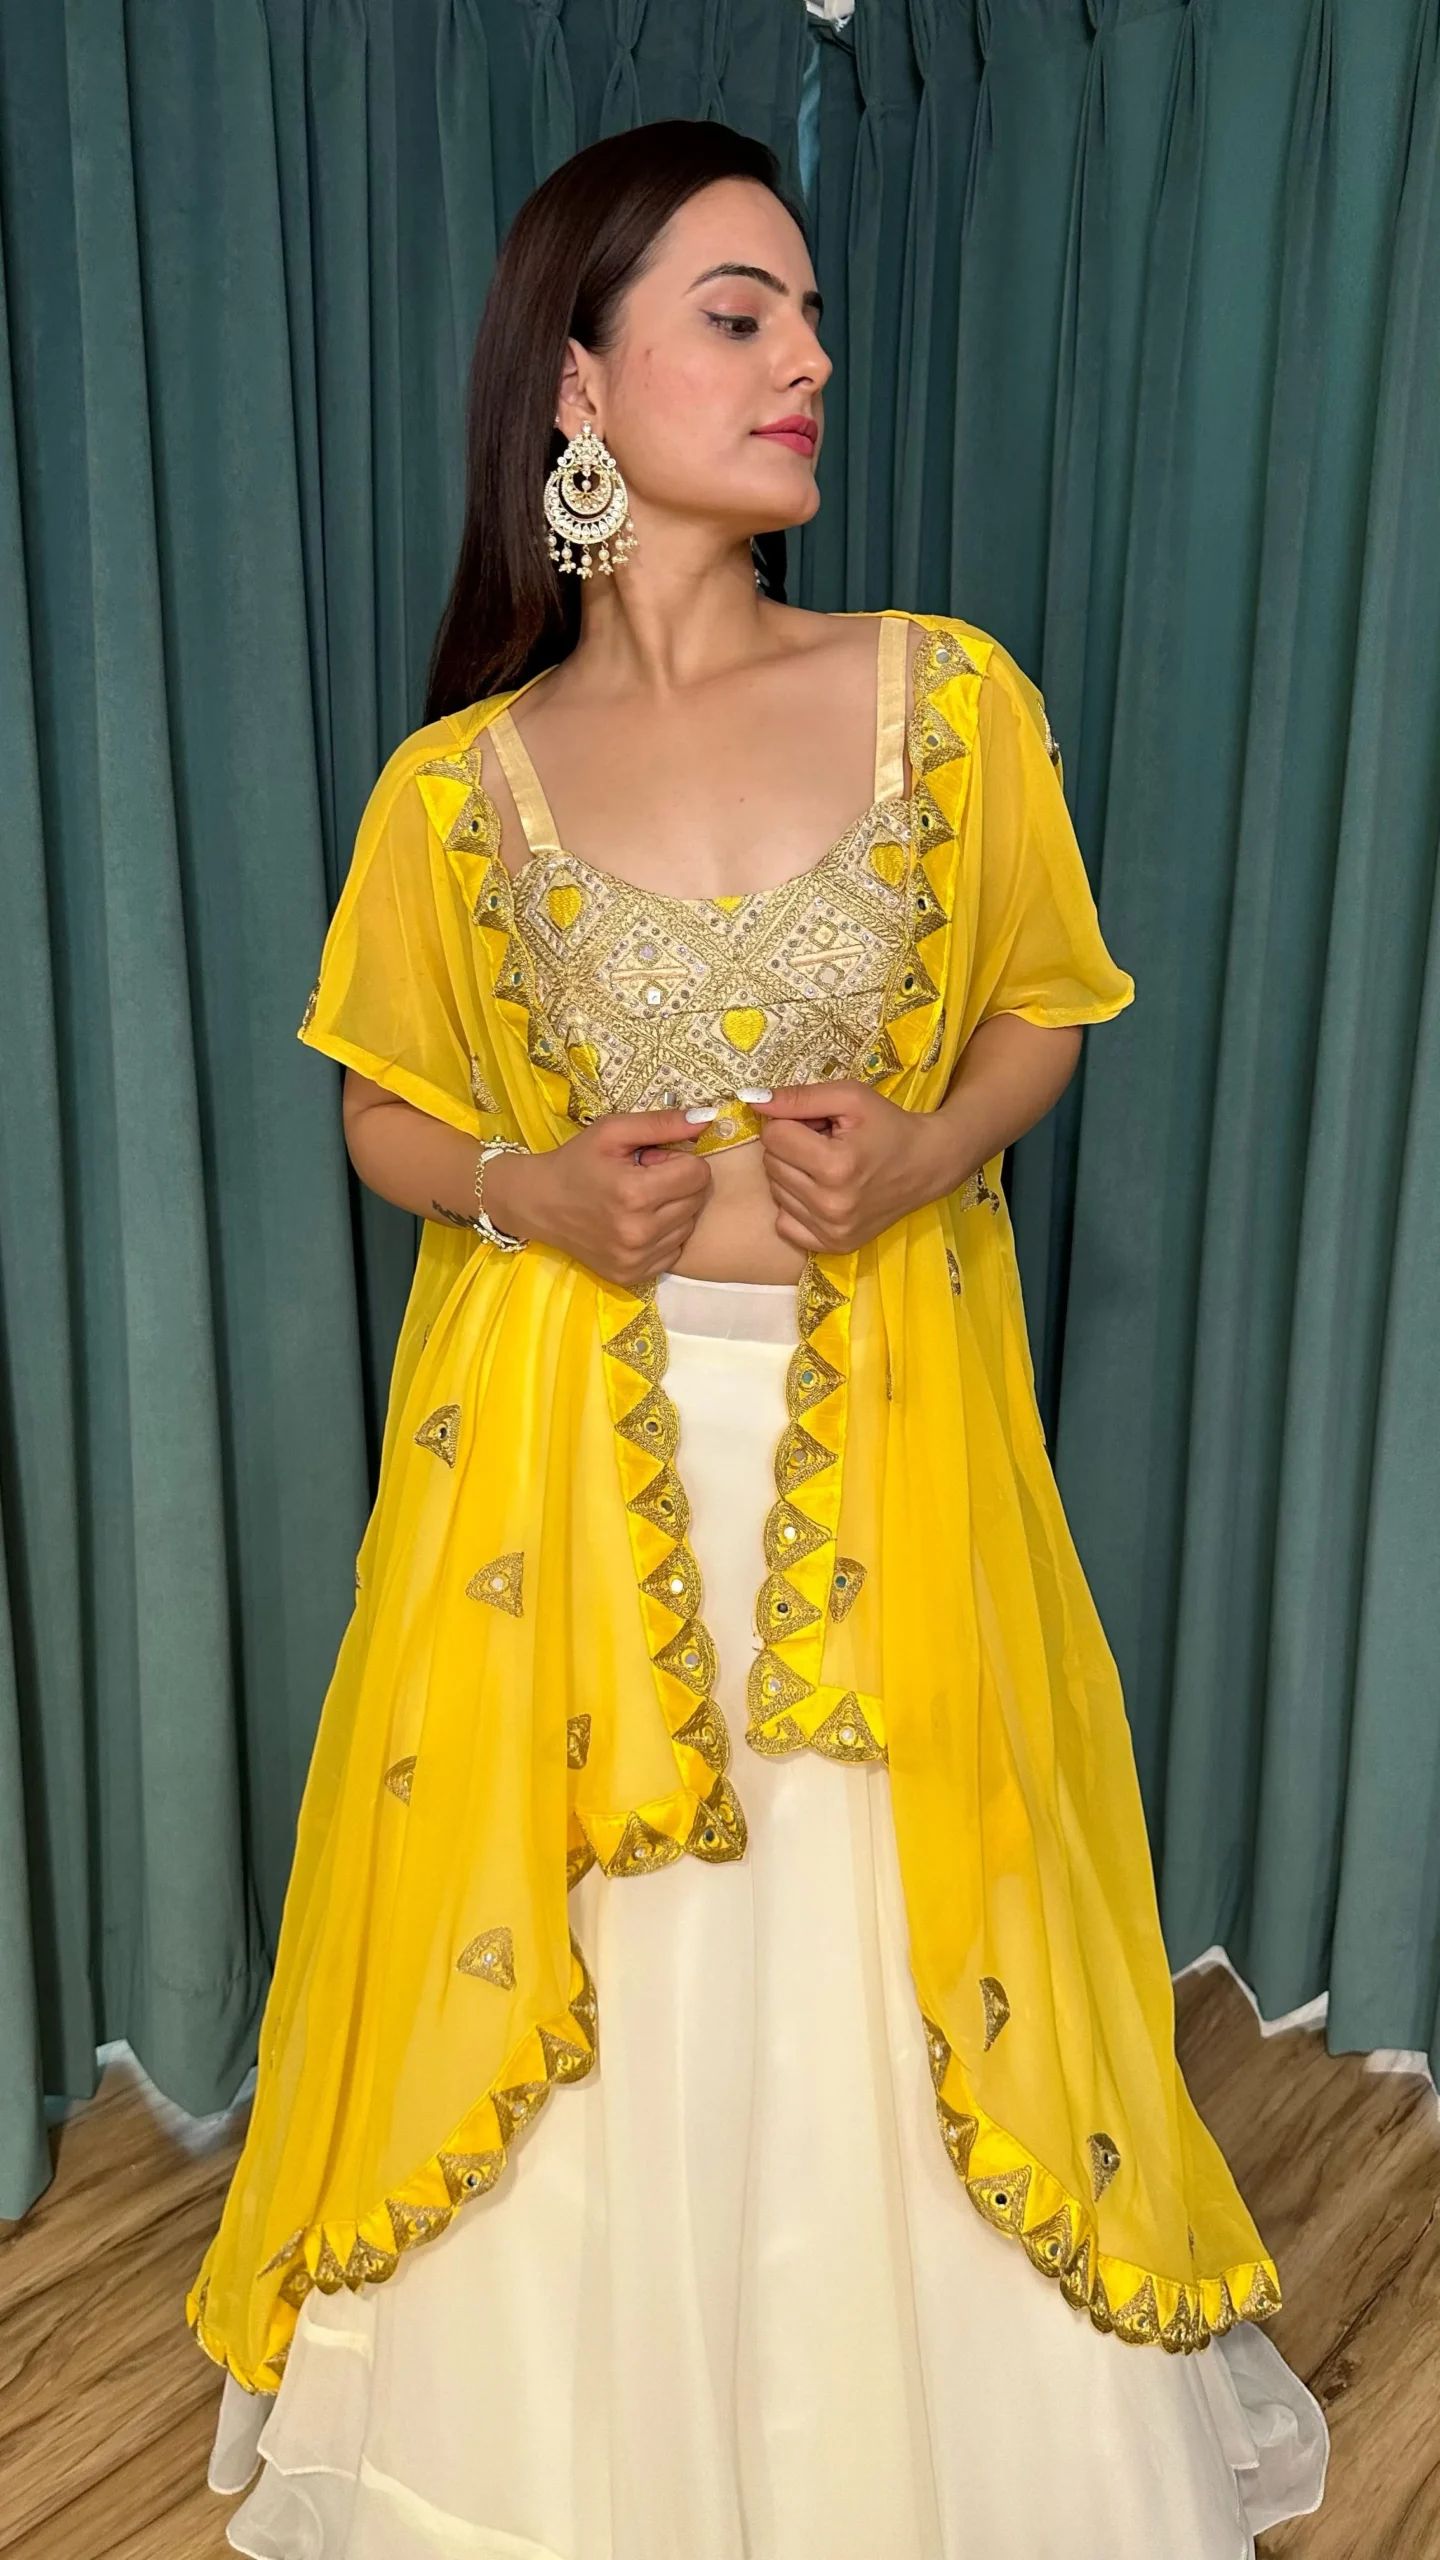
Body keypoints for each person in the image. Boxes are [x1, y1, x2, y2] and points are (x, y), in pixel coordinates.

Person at [191, 119, 1327, 2560]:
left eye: (811, 313)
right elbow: (383, 1108)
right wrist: (517, 1187)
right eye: (739, 313)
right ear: (577, 384)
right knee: (602, 1996)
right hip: (566, 1501)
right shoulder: (458, 789)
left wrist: (927, 1152)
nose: (811, 356)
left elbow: (1043, 1007)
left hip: (883, 1462)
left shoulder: (946, 697)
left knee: (879, 1981)